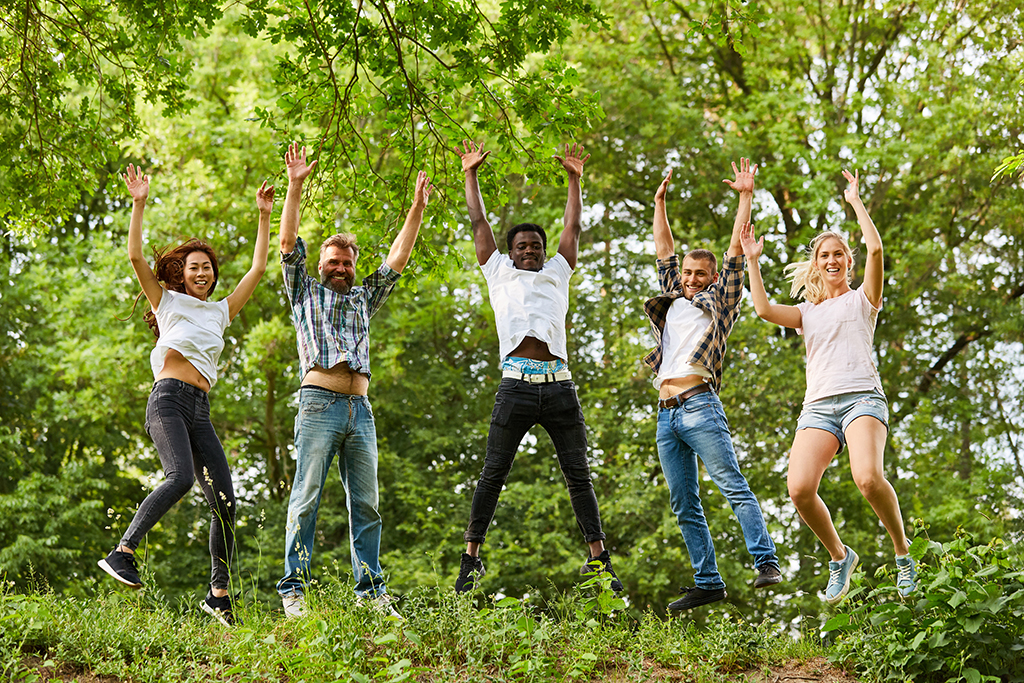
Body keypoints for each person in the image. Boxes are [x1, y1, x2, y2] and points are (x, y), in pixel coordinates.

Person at [98, 164, 274, 627]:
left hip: (200, 409)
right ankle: (123, 551)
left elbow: (258, 267)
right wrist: (139, 204)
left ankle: (218, 595)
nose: (201, 272)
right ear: (182, 273)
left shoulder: (220, 311)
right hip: (169, 400)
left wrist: (263, 215)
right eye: (193, 267)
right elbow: (136, 257)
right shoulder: (167, 302)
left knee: (226, 501)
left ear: (214, 276)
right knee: (179, 478)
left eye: (207, 268)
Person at [452, 140, 623, 594]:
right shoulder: (498, 271)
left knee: (578, 475)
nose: (530, 250)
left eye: (536, 245)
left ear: (546, 252)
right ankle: (470, 559)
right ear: (510, 253)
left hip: (560, 388)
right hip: (516, 387)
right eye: (523, 245)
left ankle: (600, 561)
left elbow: (574, 224)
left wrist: (574, 177)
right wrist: (470, 173)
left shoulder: (558, 271)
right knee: (493, 471)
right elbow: (478, 221)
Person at [740, 169, 917, 604]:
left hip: (862, 399)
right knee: (799, 489)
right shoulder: (806, 312)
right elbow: (762, 308)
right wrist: (752, 259)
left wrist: (855, 201)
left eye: (839, 253)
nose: (832, 260)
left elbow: (875, 246)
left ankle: (902, 554)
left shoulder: (864, 299)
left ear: (848, 262)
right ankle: (840, 557)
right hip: (818, 407)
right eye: (824, 255)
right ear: (816, 265)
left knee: (868, 477)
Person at [275, 143, 432, 618]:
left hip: (360, 410)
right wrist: (296, 183)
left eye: (346, 262)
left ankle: (372, 593)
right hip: (319, 403)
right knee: (305, 498)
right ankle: (293, 591)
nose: (340, 268)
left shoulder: (365, 297)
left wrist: (418, 208)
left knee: (367, 505)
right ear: (320, 265)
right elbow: (286, 244)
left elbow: (398, 260)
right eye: (332, 261)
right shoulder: (304, 293)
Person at [643, 159, 783, 612]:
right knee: (684, 503)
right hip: (666, 415)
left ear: (712, 278)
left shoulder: (721, 299)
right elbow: (663, 247)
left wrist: (745, 197)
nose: (690, 279)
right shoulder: (674, 293)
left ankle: (766, 562)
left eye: (699, 274)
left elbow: (735, 255)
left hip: (700, 406)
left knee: (732, 484)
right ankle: (708, 581)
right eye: (686, 273)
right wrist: (659, 202)